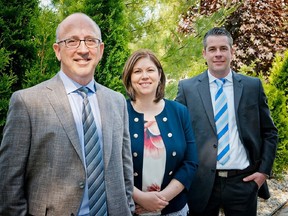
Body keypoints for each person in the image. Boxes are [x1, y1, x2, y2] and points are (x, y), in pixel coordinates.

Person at [0, 13, 134, 216]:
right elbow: (9, 181)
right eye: (71, 41)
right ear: (57, 51)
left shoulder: (116, 101)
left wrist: (129, 208)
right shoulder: (27, 102)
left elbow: (124, 166)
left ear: (100, 50)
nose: (83, 49)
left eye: (90, 41)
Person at [175, 27, 278, 216]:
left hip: (243, 182)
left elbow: (269, 132)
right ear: (204, 53)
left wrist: (263, 172)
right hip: (202, 183)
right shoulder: (187, 89)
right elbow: (176, 132)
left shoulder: (252, 86)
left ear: (232, 51)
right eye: (212, 49)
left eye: (223, 48)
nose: (218, 54)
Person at [122, 49, 198, 216]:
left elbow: (190, 162)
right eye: (137, 71)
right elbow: (111, 165)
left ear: (159, 75)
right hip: (130, 209)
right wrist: (140, 198)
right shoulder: (118, 113)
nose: (144, 76)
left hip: (172, 209)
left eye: (150, 70)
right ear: (129, 78)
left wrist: (160, 199)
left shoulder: (179, 112)